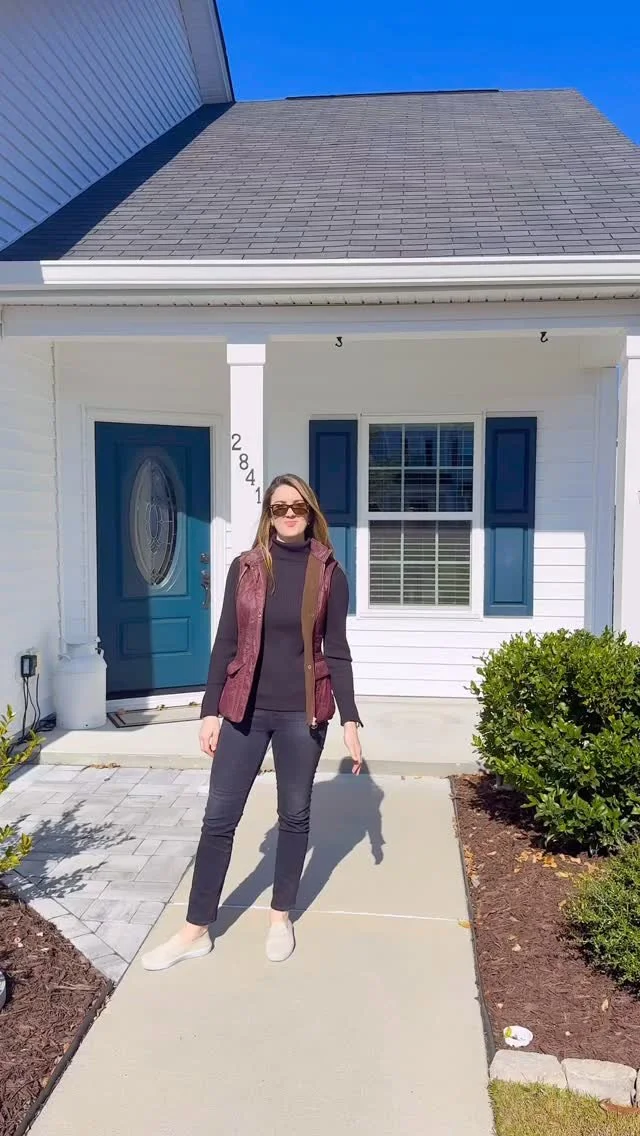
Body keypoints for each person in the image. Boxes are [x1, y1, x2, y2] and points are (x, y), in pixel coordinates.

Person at [142, 474, 362, 971]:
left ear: (311, 512)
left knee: (295, 815)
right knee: (219, 819)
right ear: (268, 513)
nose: (289, 514)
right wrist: (210, 710)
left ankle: (280, 916)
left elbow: (337, 650)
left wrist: (349, 718)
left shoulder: (330, 573)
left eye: (298, 507)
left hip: (302, 713)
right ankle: (196, 929)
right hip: (244, 711)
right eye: (279, 507)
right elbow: (225, 641)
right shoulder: (246, 568)